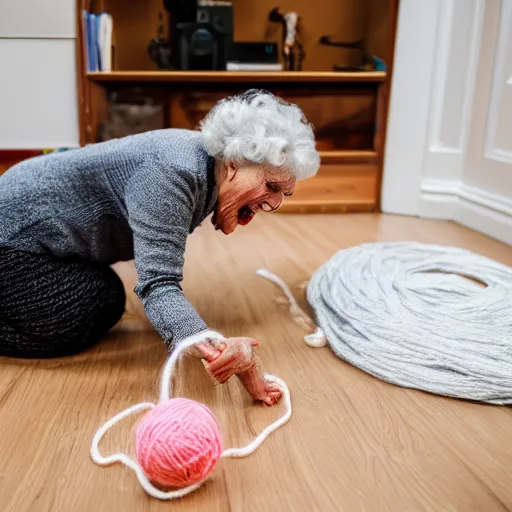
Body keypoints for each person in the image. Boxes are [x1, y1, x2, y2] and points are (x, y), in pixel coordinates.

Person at [0, 89, 320, 403]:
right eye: (271, 186)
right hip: (12, 243)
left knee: (103, 289)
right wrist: (217, 349)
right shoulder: (173, 172)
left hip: (37, 235)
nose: (275, 201)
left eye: (283, 194)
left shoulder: (206, 167)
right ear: (235, 163)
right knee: (100, 301)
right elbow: (158, 285)